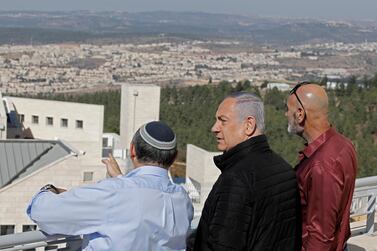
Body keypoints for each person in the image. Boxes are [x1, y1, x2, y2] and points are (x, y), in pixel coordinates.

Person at [27, 121, 193, 251]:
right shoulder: (183, 199)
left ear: (132, 150)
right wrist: (120, 179)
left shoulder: (114, 192)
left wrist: (51, 190)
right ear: (174, 157)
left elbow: (41, 212)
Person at [192, 92, 301, 251]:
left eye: (223, 121)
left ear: (249, 125)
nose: (214, 128)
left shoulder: (236, 179)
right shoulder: (285, 170)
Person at [285, 82, 357, 251]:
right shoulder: (343, 144)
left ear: (300, 114)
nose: (285, 114)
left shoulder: (322, 165)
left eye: (288, 109)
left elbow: (320, 237)